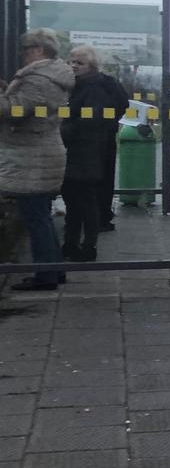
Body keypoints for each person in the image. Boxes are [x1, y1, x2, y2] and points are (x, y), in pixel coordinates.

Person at [0, 29, 74, 290]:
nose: (23, 54)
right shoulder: (51, 75)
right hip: (41, 153)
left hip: (33, 157)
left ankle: (46, 276)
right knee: (40, 216)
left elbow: (16, 111)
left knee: (36, 218)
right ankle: (54, 270)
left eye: (27, 49)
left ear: (40, 50)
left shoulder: (38, 79)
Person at [61, 45, 117, 262]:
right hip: (77, 151)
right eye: (71, 61)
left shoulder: (93, 88)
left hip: (87, 151)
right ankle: (71, 244)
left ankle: (88, 246)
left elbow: (91, 119)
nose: (74, 66)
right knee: (72, 201)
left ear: (91, 66)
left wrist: (64, 131)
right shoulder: (77, 86)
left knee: (85, 201)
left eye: (79, 63)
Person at [96, 69, 130, 231]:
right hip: (108, 135)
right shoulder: (111, 83)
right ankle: (103, 216)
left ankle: (92, 218)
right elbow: (124, 104)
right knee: (106, 178)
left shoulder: (78, 84)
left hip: (84, 140)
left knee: (85, 183)